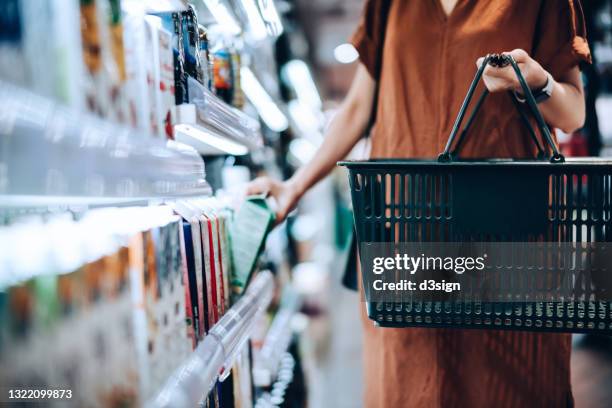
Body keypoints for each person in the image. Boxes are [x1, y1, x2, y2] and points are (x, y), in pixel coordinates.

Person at [248, 0, 591, 406]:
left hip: (506, 244)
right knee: (412, 385)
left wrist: (534, 82)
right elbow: (359, 108)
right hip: (406, 244)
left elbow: (573, 113)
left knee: (508, 385)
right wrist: (294, 186)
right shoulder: (389, 5)